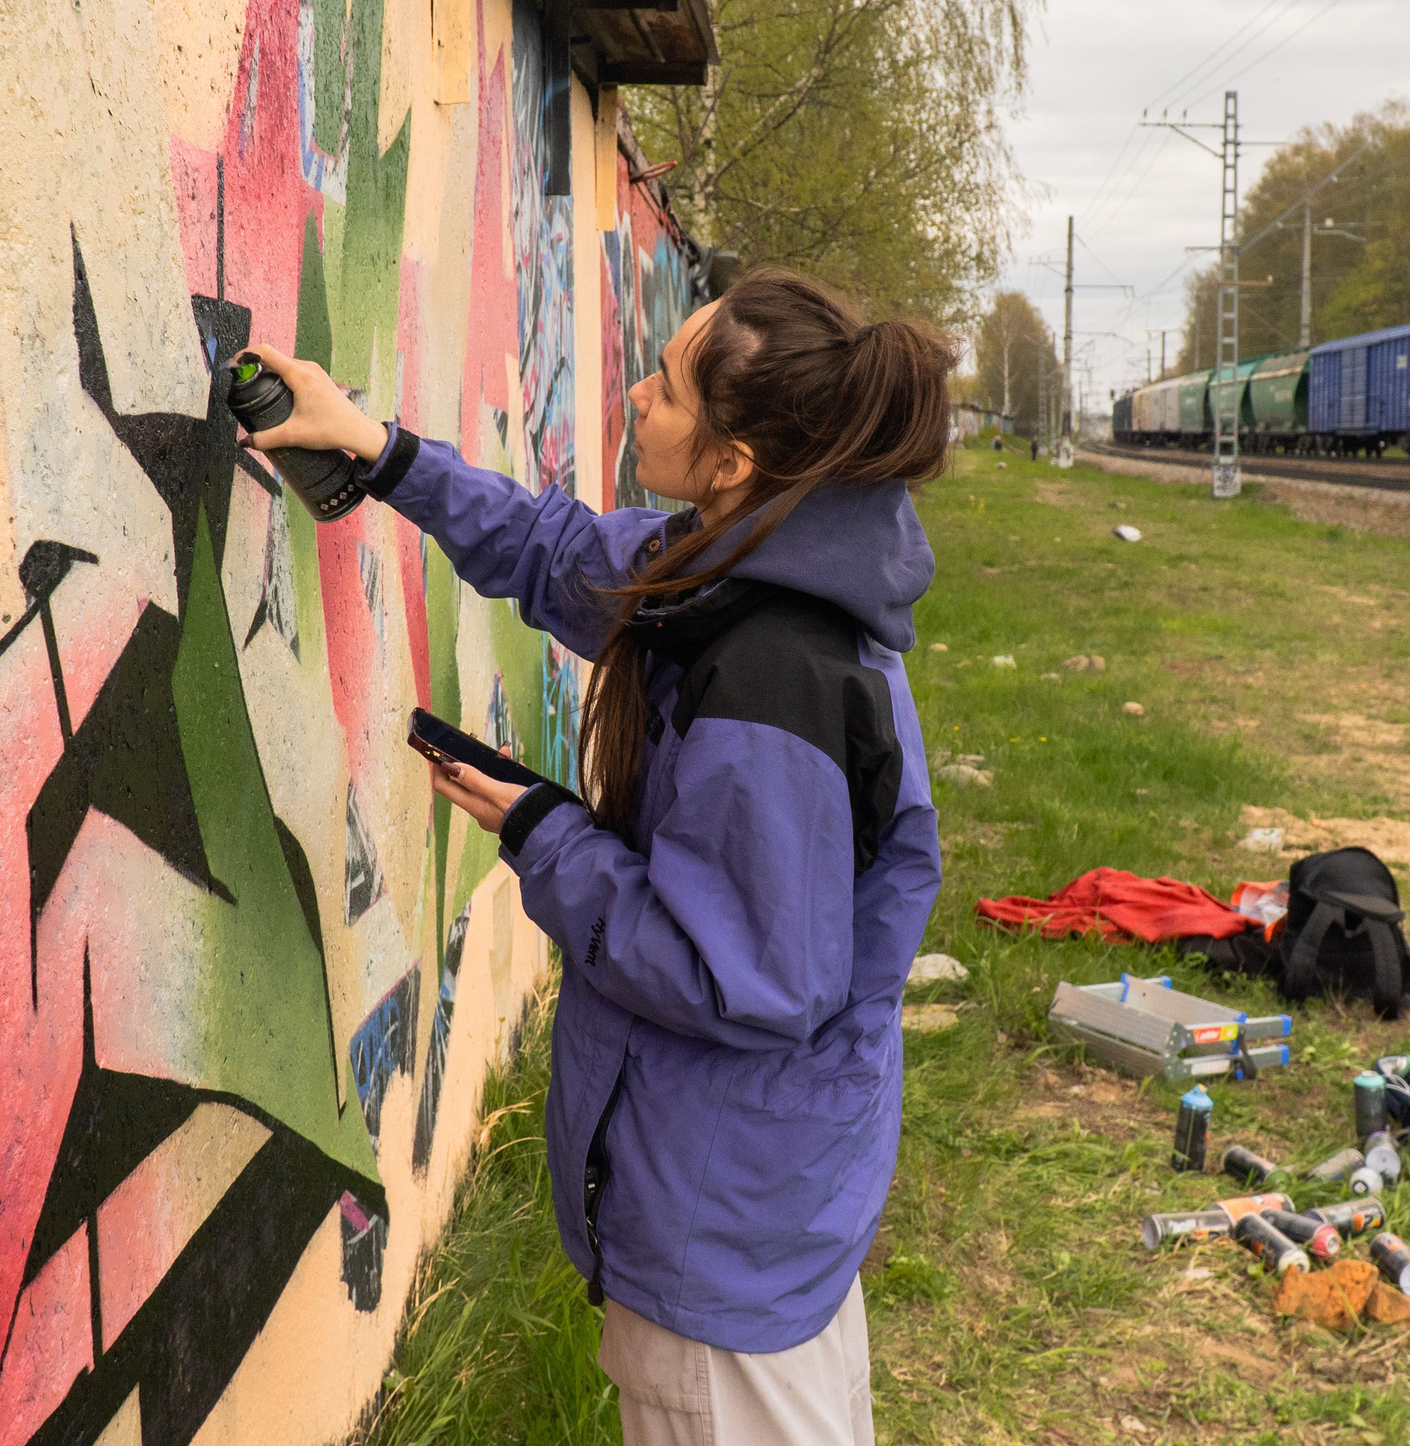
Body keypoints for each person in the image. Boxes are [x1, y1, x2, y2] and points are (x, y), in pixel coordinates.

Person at [245, 268, 952, 1446]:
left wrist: (540, 832)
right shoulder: (747, 564)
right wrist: (377, 449)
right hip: (763, 1194)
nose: (633, 392)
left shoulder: (767, 675)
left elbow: (739, 981)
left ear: (732, 461)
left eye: (667, 388)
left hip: (720, 1234)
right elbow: (560, 552)